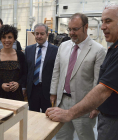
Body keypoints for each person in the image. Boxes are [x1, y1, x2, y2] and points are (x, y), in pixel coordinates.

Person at [46, 4, 118, 140]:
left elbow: (99, 80)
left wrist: (96, 106)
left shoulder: (98, 50)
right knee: (62, 136)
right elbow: (57, 71)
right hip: (62, 101)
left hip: (83, 104)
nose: (71, 33)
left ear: (86, 27)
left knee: (85, 136)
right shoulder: (63, 46)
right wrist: (53, 92)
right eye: (69, 29)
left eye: (75, 29)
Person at [24, 23, 58, 113]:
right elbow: (26, 70)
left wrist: (55, 92)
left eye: (42, 34)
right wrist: (24, 87)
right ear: (34, 34)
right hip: (33, 89)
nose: (39, 36)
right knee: (32, 116)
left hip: (47, 90)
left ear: (47, 34)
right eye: (37, 33)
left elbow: (57, 71)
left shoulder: (55, 50)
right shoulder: (28, 49)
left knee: (47, 117)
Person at [0, 24, 25, 101]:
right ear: (0, 39)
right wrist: (1, 85)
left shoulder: (20, 55)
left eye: (10, 37)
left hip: (17, 95)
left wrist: (18, 83)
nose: (6, 40)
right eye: (4, 37)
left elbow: (25, 74)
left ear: (14, 39)